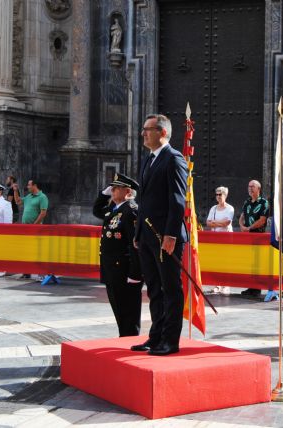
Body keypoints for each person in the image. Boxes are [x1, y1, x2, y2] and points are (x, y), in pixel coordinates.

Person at [131, 113, 188, 356]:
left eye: (148, 129)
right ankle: (155, 336)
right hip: (147, 236)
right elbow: (144, 201)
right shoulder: (148, 160)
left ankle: (170, 340)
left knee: (170, 289)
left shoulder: (174, 160)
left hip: (165, 236)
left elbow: (177, 201)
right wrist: (138, 232)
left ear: (162, 132)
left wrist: (171, 235)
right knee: (154, 288)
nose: (143, 133)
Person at [93, 173, 143, 337]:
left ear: (127, 191)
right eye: (112, 188)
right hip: (111, 269)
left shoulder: (130, 211)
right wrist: (103, 194)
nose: (113, 191)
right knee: (119, 308)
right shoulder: (114, 210)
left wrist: (135, 274)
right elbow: (96, 210)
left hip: (124, 269)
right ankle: (124, 335)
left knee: (128, 309)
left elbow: (135, 244)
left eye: (116, 189)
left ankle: (129, 337)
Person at [238, 179, 269, 297]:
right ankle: (250, 286)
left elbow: (262, 220)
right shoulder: (247, 202)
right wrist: (241, 225)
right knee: (249, 262)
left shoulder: (264, 203)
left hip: (258, 237)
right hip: (247, 237)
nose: (250, 188)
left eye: (252, 186)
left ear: (258, 189)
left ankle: (257, 288)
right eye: (249, 186)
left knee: (257, 263)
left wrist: (249, 228)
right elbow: (242, 216)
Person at [206, 186, 234, 294]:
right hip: (215, 238)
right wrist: (218, 223)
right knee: (216, 262)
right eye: (217, 194)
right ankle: (217, 285)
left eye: (220, 194)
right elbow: (208, 222)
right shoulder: (213, 208)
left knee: (226, 262)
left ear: (225, 195)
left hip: (226, 238)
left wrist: (215, 222)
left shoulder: (230, 208)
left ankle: (226, 285)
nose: (218, 197)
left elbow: (227, 223)